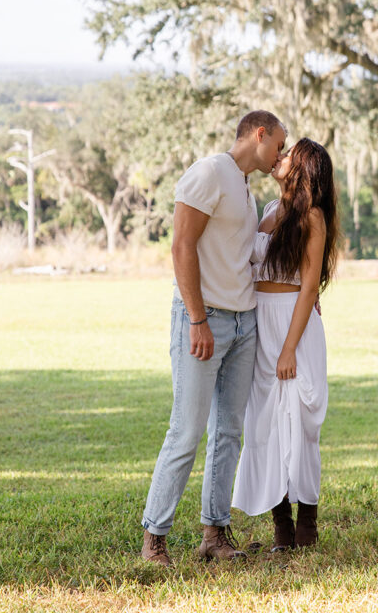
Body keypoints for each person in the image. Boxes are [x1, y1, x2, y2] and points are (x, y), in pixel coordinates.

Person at [141, 110, 287, 566]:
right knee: (186, 431)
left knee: (228, 433)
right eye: (279, 145)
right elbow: (182, 246)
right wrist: (198, 319)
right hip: (205, 320)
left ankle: (214, 534)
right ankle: (154, 538)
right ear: (259, 134)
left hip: (245, 323)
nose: (280, 155)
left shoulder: (243, 186)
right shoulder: (208, 172)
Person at [232, 138, 338, 550]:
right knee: (264, 421)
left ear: (304, 167)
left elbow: (309, 286)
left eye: (289, 153)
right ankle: (281, 526)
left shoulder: (312, 217)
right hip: (262, 321)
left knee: (300, 421)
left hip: (294, 325)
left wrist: (290, 348)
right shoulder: (270, 210)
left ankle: (307, 522)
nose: (280, 156)